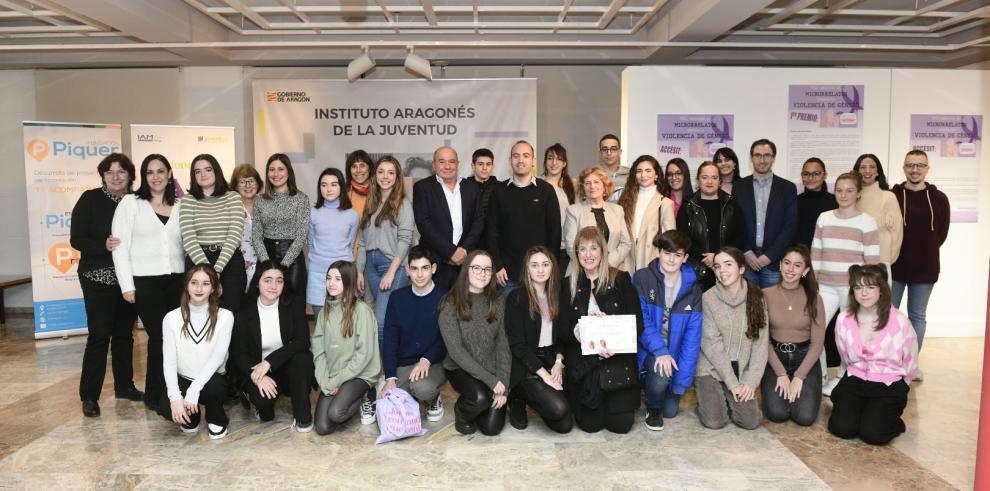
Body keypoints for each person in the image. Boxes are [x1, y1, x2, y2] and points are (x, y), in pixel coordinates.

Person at [111, 153, 185, 409]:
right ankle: (156, 395)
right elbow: (119, 246)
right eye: (150, 172)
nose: (156, 177)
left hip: (176, 280)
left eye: (161, 171)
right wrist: (127, 285)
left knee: (172, 338)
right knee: (159, 336)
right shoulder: (132, 203)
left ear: (169, 175)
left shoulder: (180, 205)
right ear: (143, 177)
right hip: (145, 282)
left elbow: (185, 244)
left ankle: (167, 392)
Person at [72, 153, 141, 417]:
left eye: (121, 172)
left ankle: (125, 386)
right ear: (102, 175)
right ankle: (89, 396)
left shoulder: (137, 201)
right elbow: (76, 239)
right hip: (97, 278)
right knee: (100, 336)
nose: (115, 176)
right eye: (110, 172)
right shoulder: (90, 199)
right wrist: (102, 245)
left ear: (129, 176)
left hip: (128, 280)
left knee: (124, 336)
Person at [559, 226, 643, 434]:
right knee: (591, 426)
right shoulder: (566, 284)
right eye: (582, 249)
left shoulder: (621, 280)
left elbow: (638, 325)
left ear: (603, 252)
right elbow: (560, 330)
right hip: (584, 367)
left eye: (594, 248)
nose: (588, 255)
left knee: (621, 426)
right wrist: (579, 331)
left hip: (616, 362)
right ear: (576, 253)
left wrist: (614, 334)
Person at [828, 264, 918, 445]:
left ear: (882, 290)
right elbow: (845, 355)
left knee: (873, 435)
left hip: (888, 383)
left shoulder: (900, 321)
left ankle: (891, 420)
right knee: (842, 429)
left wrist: (901, 386)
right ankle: (863, 411)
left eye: (870, 287)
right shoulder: (844, 319)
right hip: (856, 379)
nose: (864, 293)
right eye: (858, 287)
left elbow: (910, 360)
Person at [811, 171, 880, 396]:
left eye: (849, 190)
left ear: (859, 193)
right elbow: (816, 254)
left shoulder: (867, 222)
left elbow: (871, 263)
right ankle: (820, 376)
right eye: (839, 190)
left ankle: (841, 377)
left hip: (852, 290)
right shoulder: (824, 217)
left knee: (848, 335)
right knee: (815, 331)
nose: (843, 194)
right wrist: (815, 284)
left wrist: (866, 293)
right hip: (826, 287)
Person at [632, 230, 702, 431]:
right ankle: (652, 405)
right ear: (658, 252)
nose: (671, 259)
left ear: (685, 258)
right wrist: (661, 352)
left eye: (677, 254)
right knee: (660, 374)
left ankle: (658, 383)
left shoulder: (693, 289)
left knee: (670, 411)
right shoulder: (642, 278)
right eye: (667, 252)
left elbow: (692, 338)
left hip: (676, 352)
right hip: (649, 349)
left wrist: (680, 383)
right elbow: (642, 322)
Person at [231, 261, 314, 431]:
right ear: (257, 282)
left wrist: (269, 362)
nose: (273, 286)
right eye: (267, 280)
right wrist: (258, 375)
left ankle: (303, 416)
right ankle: (262, 407)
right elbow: (238, 354)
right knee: (264, 408)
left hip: (285, 367)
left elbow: (303, 341)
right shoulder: (244, 311)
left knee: (302, 359)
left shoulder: (293, 303)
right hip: (257, 370)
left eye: (279, 280)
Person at [694, 246, 769, 430]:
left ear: (741, 268)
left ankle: (725, 398)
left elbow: (760, 346)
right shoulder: (708, 299)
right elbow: (712, 346)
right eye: (717, 266)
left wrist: (750, 382)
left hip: (741, 369)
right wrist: (733, 384)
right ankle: (707, 400)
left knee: (751, 422)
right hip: (711, 368)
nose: (722, 271)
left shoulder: (757, 298)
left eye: (728, 264)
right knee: (715, 421)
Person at [438, 250, 511, 435]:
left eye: (487, 269)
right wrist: (491, 382)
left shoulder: (499, 301)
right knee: (479, 399)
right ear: (466, 270)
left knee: (491, 429)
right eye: (476, 267)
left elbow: (504, 345)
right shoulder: (450, 303)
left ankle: (483, 402)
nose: (482, 273)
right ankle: (462, 410)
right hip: (459, 368)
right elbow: (456, 352)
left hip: (491, 368)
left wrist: (503, 385)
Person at [891, 149, 950, 378]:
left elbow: (942, 233)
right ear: (904, 168)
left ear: (927, 168)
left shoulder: (939, 198)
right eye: (910, 165)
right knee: (890, 315)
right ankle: (892, 360)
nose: (914, 169)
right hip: (895, 266)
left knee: (917, 316)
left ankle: (912, 364)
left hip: (926, 268)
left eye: (919, 165)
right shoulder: (893, 195)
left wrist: (925, 250)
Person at [159, 265, 234, 439]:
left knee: (214, 388)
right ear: (187, 286)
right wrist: (175, 398)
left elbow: (217, 358)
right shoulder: (171, 318)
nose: (199, 289)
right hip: (184, 378)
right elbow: (169, 361)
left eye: (206, 283)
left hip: (212, 380)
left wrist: (193, 392)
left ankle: (216, 418)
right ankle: (191, 417)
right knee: (165, 406)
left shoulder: (225, 316)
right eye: (194, 283)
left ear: (213, 288)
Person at [504, 246, 573, 433]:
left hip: (550, 357)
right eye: (534, 265)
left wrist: (559, 362)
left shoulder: (558, 295)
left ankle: (539, 399)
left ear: (553, 267)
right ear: (527, 269)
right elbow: (518, 346)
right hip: (525, 363)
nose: (540, 270)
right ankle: (518, 396)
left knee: (565, 425)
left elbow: (562, 334)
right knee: (559, 409)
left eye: (545, 264)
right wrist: (546, 377)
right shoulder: (516, 298)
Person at [312, 260, 381, 435]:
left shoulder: (361, 310)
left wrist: (338, 380)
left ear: (348, 281)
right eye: (329, 278)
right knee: (322, 427)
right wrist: (324, 379)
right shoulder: (324, 312)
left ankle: (366, 395)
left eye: (337, 279)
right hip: (334, 375)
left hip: (360, 374)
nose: (331, 283)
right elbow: (318, 349)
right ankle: (343, 393)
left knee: (336, 413)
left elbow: (364, 355)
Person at [379, 246, 448, 421]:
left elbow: (446, 340)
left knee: (421, 388)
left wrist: (427, 359)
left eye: (425, 268)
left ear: (433, 269)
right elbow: (390, 339)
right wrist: (390, 377)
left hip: (434, 363)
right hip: (405, 364)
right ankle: (408, 393)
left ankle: (433, 398)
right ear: (407, 270)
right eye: (414, 269)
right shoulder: (397, 298)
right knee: (386, 397)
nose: (420, 274)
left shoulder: (445, 298)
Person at [761, 245, 825, 426]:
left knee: (804, 417)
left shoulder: (814, 298)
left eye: (797, 265)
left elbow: (818, 344)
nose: (790, 269)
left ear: (805, 270)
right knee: (777, 414)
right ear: (780, 265)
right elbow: (762, 341)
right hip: (774, 357)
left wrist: (799, 377)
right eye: (787, 263)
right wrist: (781, 374)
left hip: (805, 358)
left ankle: (800, 392)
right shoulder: (764, 295)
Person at [486, 140, 562, 293]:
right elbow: (491, 231)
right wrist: (498, 265)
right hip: (507, 276)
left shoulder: (546, 190)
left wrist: (550, 266)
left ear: (533, 161)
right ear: (510, 160)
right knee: (508, 317)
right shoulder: (498, 191)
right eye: (516, 156)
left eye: (525, 156)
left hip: (540, 274)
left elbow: (555, 232)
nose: (520, 160)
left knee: (542, 317)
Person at [356, 155, 415, 345]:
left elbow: (405, 241)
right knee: (372, 319)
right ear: (374, 176)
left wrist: (391, 273)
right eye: (381, 172)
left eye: (391, 172)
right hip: (370, 268)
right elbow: (364, 242)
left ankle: (387, 369)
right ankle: (379, 367)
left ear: (397, 177)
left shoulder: (403, 204)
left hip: (393, 266)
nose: (385, 176)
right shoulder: (371, 204)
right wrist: (359, 271)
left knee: (382, 321)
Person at [179, 153, 247, 312]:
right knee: (200, 315)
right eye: (197, 171)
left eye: (208, 169)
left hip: (229, 260)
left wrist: (216, 271)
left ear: (216, 171)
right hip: (198, 261)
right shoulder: (188, 200)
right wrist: (208, 272)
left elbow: (235, 234)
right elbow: (189, 239)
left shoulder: (233, 197)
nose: (203, 174)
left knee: (231, 314)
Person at [413, 146, 485, 289]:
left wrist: (464, 250)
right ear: (434, 165)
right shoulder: (422, 187)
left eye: (452, 161)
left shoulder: (471, 187)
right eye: (442, 162)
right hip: (435, 262)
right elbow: (423, 224)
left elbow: (478, 221)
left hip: (466, 262)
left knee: (465, 308)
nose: (447, 166)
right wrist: (450, 252)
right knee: (436, 308)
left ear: (458, 164)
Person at [733, 139, 798, 288]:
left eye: (767, 155)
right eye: (757, 155)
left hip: (774, 262)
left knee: (773, 308)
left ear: (773, 158)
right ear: (751, 158)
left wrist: (770, 256)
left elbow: (790, 226)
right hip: (747, 262)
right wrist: (747, 252)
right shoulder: (739, 187)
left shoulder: (787, 188)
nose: (762, 160)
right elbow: (736, 222)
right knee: (749, 307)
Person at [676, 162, 747, 290]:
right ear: (698, 180)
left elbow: (741, 236)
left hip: (726, 270)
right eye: (705, 177)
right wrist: (706, 258)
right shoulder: (688, 205)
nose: (709, 181)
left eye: (714, 178)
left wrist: (717, 256)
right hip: (696, 270)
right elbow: (682, 238)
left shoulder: (731, 204)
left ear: (720, 181)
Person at [251, 153, 310, 302]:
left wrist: (284, 265)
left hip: (293, 259)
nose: (276, 174)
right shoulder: (259, 200)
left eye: (281, 169)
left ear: (288, 172)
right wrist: (266, 264)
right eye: (271, 169)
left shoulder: (301, 198)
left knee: (293, 305)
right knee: (265, 304)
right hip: (266, 256)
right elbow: (257, 236)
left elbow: (301, 236)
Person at [308, 167, 359, 319]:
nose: (328, 189)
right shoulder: (312, 213)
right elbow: (310, 243)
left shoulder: (352, 215)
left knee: (344, 323)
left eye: (333, 184)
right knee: (321, 323)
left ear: (341, 187)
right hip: (318, 273)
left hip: (344, 274)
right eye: (324, 185)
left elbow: (350, 245)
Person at [563, 167, 632, 276]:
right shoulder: (573, 211)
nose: (592, 186)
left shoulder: (617, 210)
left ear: (604, 187)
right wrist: (592, 264)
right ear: (583, 188)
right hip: (582, 273)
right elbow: (571, 247)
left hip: (613, 271)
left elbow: (626, 243)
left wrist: (607, 263)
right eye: (587, 183)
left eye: (596, 182)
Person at [618, 155, 676, 272]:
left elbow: (670, 240)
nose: (643, 175)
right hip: (626, 261)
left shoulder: (665, 203)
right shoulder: (625, 199)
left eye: (648, 170)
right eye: (639, 171)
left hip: (651, 261)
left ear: (656, 175)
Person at [853, 154, 904, 273]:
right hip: (854, 261)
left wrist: (886, 262)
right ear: (857, 171)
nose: (867, 171)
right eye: (863, 167)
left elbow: (897, 233)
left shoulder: (888, 197)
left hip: (880, 261)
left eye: (872, 167)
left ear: (878, 172)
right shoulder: (851, 196)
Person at [540, 143, 576, 272]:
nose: (554, 163)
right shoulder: (537, 184)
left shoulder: (571, 186)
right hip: (543, 247)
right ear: (545, 162)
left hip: (565, 249)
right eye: (550, 158)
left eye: (559, 159)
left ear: (564, 163)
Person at [229, 164, 263, 286]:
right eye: (242, 182)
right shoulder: (230, 206)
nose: (248, 186)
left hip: (262, 266)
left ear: (258, 183)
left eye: (251, 181)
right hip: (236, 267)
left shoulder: (266, 204)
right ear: (235, 185)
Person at [795, 157, 837, 248]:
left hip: (828, 254)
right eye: (806, 174)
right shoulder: (794, 201)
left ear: (825, 175)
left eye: (816, 174)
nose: (810, 178)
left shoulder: (835, 202)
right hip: (800, 256)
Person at [469, 148, 498, 225]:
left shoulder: (500, 188)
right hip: (470, 235)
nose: (484, 168)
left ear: (492, 166)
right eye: (480, 164)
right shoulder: (463, 188)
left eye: (488, 164)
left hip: (493, 235)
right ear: (473, 166)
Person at [597, 134, 628, 201]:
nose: (609, 153)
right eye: (605, 149)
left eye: (613, 149)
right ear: (600, 153)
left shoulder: (631, 175)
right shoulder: (592, 175)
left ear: (620, 152)